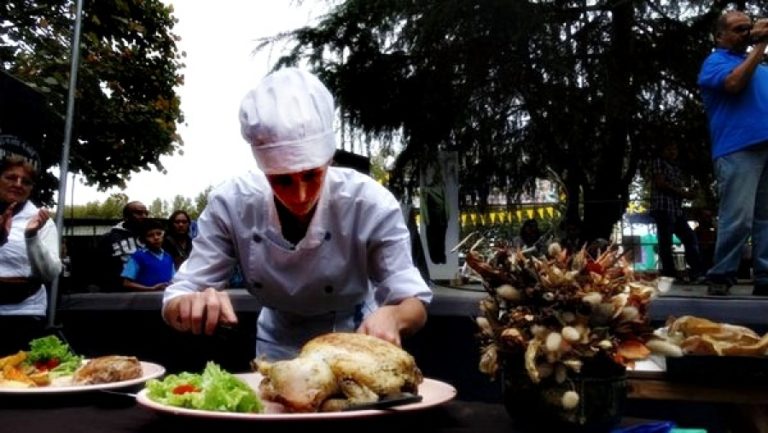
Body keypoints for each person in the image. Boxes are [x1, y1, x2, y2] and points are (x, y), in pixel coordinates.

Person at [161, 68, 432, 360]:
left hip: (355, 338)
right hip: (276, 343)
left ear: (329, 160)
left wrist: (393, 316)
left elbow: (412, 301)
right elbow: (180, 293)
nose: (300, 195)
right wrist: (187, 305)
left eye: (311, 175)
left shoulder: (369, 203)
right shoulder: (231, 204)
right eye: (282, 180)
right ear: (264, 170)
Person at [698, 10, 768, 295]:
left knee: (766, 218)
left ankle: (765, 276)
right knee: (738, 216)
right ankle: (721, 274)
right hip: (738, 149)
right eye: (739, 29)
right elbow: (734, 84)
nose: (746, 33)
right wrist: (760, 45)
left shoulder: (761, 69)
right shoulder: (715, 62)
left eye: (749, 28)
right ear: (719, 36)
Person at [0, 135, 62, 353]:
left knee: (18, 372)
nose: (18, 184)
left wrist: (31, 237)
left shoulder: (40, 220)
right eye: (11, 177)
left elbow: (51, 273)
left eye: (26, 181)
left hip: (24, 314)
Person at [648, 142, 706, 283]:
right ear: (662, 150)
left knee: (690, 238)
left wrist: (688, 194)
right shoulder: (659, 162)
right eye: (669, 148)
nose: (673, 152)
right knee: (666, 242)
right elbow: (660, 183)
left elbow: (677, 188)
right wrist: (681, 192)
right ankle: (669, 274)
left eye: (674, 149)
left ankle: (697, 272)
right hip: (663, 208)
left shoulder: (676, 168)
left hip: (676, 210)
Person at [93, 201, 147, 291]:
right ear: (126, 217)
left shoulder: (150, 237)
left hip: (148, 290)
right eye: (139, 213)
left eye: (146, 213)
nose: (144, 216)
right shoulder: (109, 239)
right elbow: (98, 265)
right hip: (118, 292)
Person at [121, 219, 175, 292]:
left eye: (159, 234)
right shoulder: (138, 257)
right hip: (145, 297)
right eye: (150, 235)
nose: (156, 238)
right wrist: (151, 288)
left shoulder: (168, 257)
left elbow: (173, 279)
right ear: (143, 239)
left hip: (166, 296)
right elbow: (127, 283)